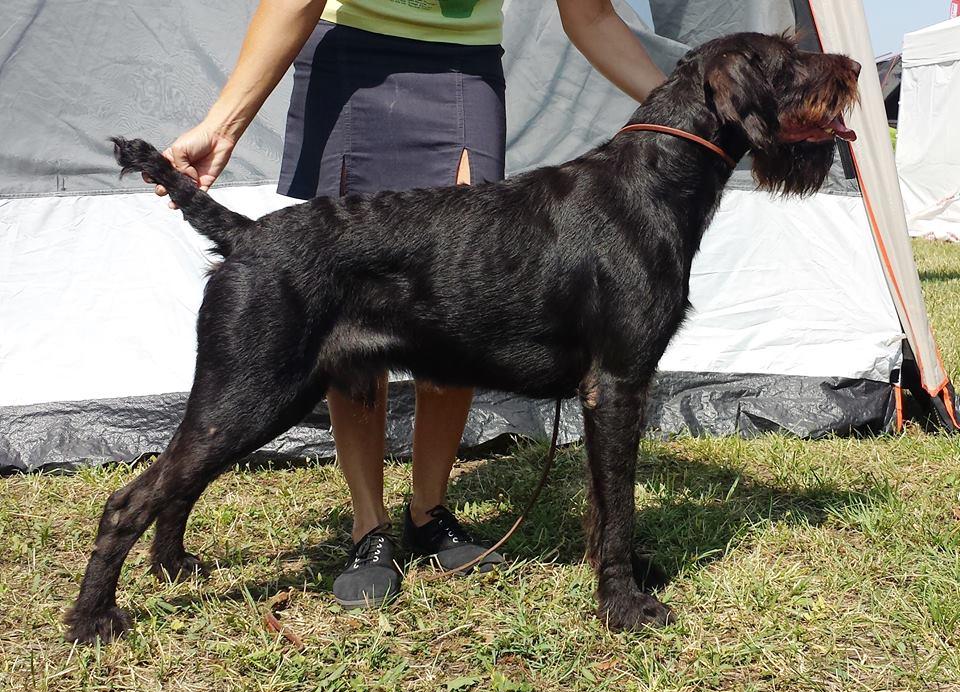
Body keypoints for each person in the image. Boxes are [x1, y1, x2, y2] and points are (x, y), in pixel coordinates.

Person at [153, 0, 665, 609]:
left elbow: (594, 18)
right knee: (347, 306)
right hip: (353, 59)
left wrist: (698, 113)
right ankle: (367, 527)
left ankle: (429, 513)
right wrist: (224, 123)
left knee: (467, 294)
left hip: (463, 69)